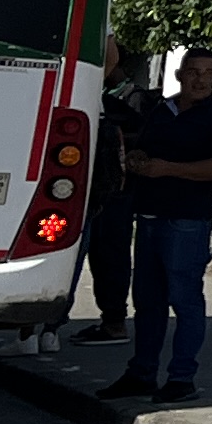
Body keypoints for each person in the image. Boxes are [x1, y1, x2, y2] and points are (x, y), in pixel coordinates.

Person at [105, 49, 212, 404]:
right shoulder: (162, 110)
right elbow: (146, 148)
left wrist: (167, 168)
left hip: (187, 220)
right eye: (193, 71)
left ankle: (182, 377)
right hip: (149, 214)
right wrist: (138, 160)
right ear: (180, 74)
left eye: (208, 73)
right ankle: (141, 373)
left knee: (185, 300)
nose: (200, 79)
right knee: (147, 302)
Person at [72, 64, 147, 345]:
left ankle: (113, 321)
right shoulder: (99, 96)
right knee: (96, 255)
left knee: (108, 255)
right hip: (101, 192)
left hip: (114, 192)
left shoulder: (129, 98)